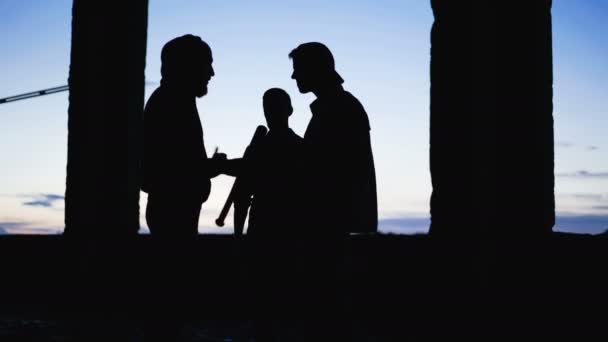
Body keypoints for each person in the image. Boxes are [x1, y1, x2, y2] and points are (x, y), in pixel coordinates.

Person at [289, 42, 378, 235]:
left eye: (298, 69)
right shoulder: (337, 107)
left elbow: (325, 168)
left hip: (330, 224)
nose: (293, 76)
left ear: (314, 69)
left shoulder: (339, 109)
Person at [141, 34, 226, 237]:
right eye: (208, 64)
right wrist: (211, 167)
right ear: (189, 66)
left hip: (175, 212)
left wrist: (207, 166)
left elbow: (178, 160)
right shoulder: (170, 103)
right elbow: (171, 168)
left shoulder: (175, 100)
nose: (212, 73)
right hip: (173, 215)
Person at [244, 88, 305, 236]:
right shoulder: (302, 146)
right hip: (263, 227)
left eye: (276, 107)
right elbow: (242, 195)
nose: (271, 112)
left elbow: (242, 195)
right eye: (268, 107)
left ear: (289, 110)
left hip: (287, 226)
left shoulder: (301, 147)